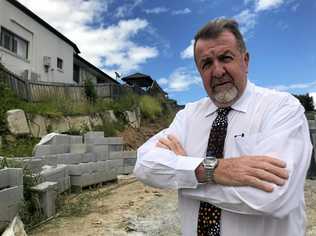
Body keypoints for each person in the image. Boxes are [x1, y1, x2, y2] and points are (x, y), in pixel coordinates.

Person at [133, 18, 312, 236]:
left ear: (245, 61)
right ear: (199, 72)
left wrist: (184, 175)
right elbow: (145, 164)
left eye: (225, 58)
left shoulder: (282, 108)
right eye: (206, 64)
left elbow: (274, 196)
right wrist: (213, 170)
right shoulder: (189, 115)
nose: (217, 71)